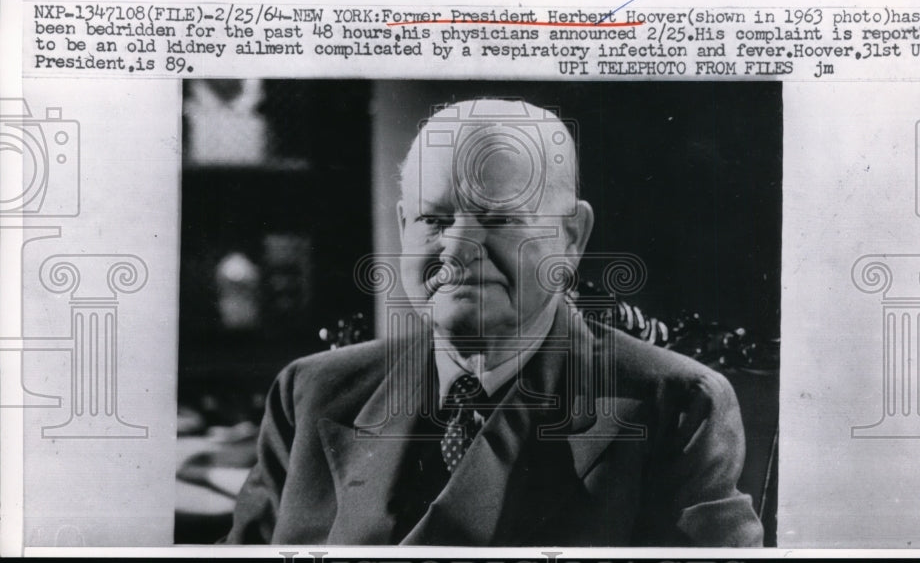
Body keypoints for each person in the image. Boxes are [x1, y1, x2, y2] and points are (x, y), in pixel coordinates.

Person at [226, 98, 763, 546]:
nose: (458, 247)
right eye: (434, 219)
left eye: (500, 218)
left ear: (571, 237)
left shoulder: (676, 406)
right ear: (401, 226)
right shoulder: (312, 391)